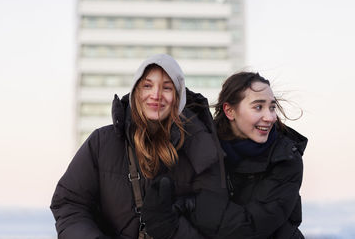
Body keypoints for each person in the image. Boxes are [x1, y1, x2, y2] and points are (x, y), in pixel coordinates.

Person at [50, 54, 224, 239]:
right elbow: (69, 203)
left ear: (178, 97)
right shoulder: (101, 142)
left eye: (167, 88)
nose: (156, 95)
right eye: (147, 86)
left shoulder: (201, 150)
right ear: (136, 92)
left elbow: (213, 220)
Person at [199, 71, 306, 238]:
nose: (270, 117)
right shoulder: (204, 151)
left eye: (272, 107)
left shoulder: (286, 158)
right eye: (258, 107)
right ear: (229, 111)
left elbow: (250, 227)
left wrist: (193, 207)